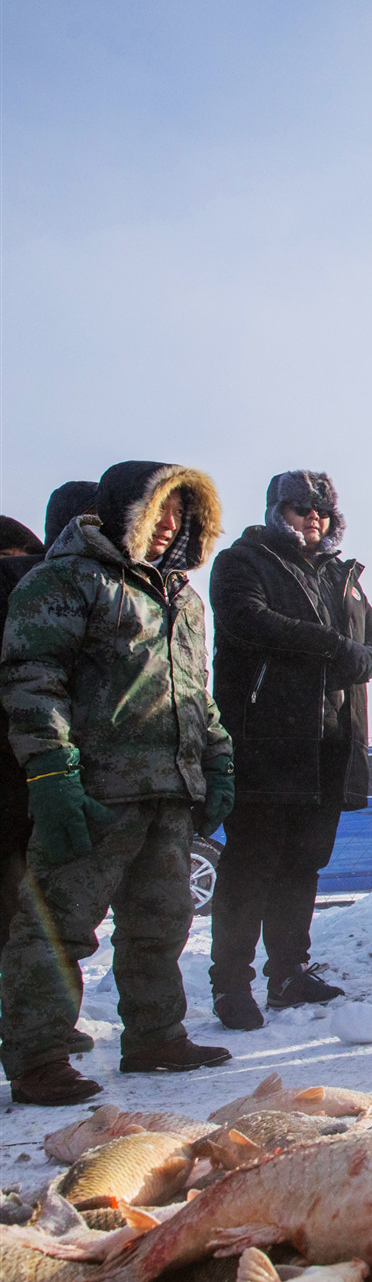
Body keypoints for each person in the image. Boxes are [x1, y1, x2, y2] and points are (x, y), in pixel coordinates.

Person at [1, 462, 235, 1104]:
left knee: (162, 921)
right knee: (58, 924)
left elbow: (196, 692)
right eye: (158, 510)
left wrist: (216, 759)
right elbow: (31, 678)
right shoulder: (67, 580)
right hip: (94, 788)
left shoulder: (183, 597)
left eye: (180, 515)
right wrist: (50, 770)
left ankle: (156, 1035)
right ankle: (39, 1055)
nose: (168, 526)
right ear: (123, 509)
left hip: (168, 788)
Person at [206, 471, 372, 1030]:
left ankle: (289, 972)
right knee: (250, 864)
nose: (313, 517)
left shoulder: (344, 576)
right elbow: (249, 621)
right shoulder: (243, 561)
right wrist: (336, 648)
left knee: (303, 865)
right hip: (267, 740)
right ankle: (231, 985)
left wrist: (365, 657)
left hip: (331, 745)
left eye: (322, 509)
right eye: (299, 506)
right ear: (275, 510)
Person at [0, 483, 96, 1032]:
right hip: (48, 764)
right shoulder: (57, 586)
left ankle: (37, 1030)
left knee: (30, 910)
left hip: (26, 765)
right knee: (44, 909)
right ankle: (42, 1030)